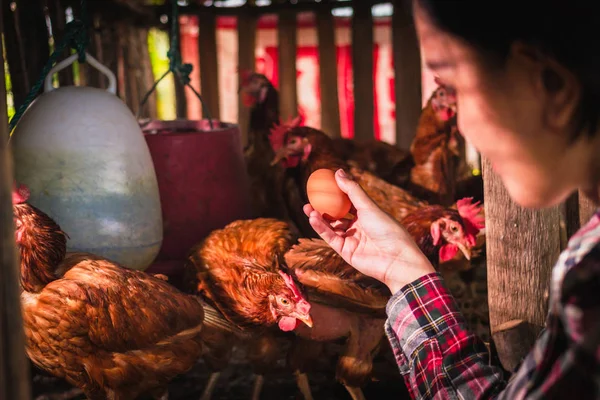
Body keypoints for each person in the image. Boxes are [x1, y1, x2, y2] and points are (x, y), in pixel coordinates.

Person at [304, 1, 600, 399]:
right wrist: (404, 273)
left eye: (457, 87)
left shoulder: (590, 278)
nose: (461, 124)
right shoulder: (587, 257)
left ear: (550, 84)